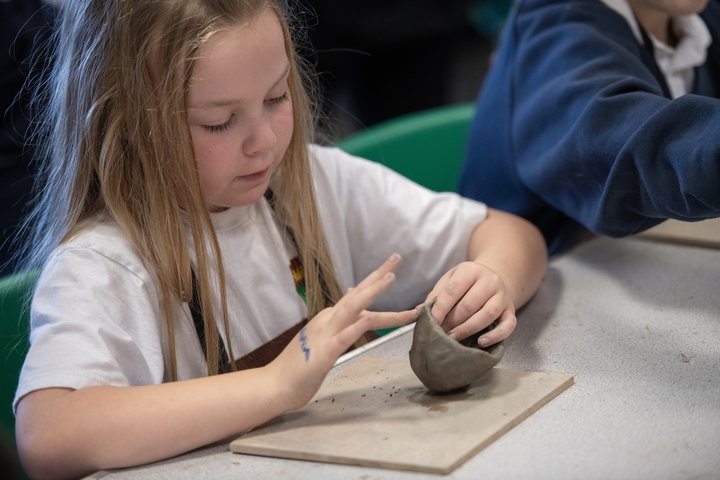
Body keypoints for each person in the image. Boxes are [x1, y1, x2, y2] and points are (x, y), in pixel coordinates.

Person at [12, 1, 547, 478]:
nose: (264, 141)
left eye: (276, 96)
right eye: (220, 122)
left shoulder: (310, 186)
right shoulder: (106, 264)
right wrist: (276, 384)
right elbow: (48, 436)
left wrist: (490, 278)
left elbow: (511, 233)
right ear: (127, 124)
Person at [458, 0, 720, 255]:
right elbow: (626, 147)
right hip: (537, 274)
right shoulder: (557, 25)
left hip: (634, 252)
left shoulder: (696, 16)